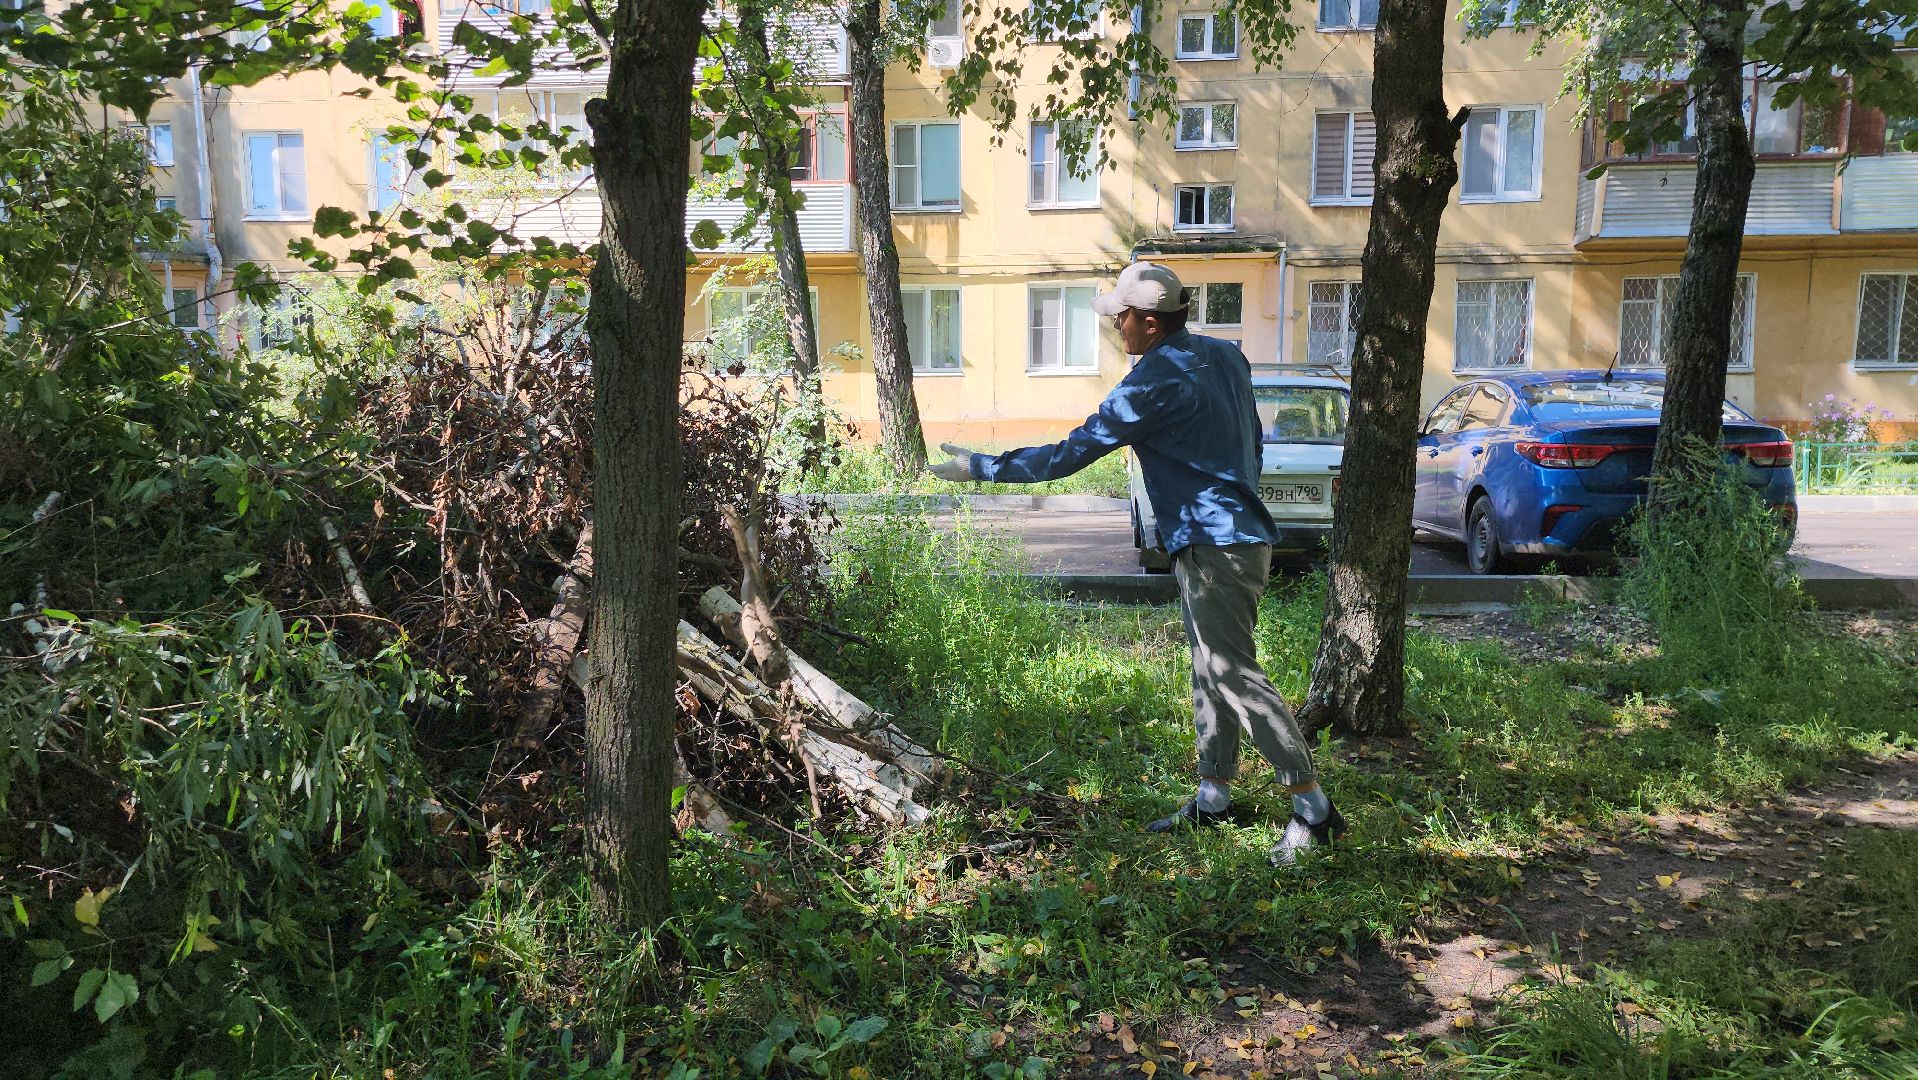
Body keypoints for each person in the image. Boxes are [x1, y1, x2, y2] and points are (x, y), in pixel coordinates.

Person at [927, 261, 1344, 866]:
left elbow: (1069, 454)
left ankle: (1313, 807)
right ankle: (1214, 793)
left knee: (1230, 671)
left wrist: (982, 468)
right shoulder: (1225, 356)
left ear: (1148, 323)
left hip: (1215, 545)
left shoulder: (1150, 383)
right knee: (1209, 669)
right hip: (1237, 537)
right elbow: (1253, 437)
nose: (1114, 328)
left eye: (1119, 318)